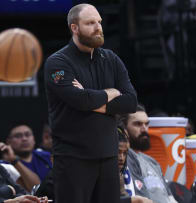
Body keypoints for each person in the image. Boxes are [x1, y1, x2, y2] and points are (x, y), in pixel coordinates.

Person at [44, 3, 137, 203]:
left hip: (108, 156)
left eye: (99, 22)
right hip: (73, 159)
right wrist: (112, 92)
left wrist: (91, 98)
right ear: (74, 28)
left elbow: (130, 102)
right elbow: (80, 101)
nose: (98, 27)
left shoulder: (111, 59)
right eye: (90, 23)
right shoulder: (58, 62)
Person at [120, 104, 177, 203]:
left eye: (146, 124)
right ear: (124, 128)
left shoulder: (152, 162)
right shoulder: (123, 160)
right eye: (138, 124)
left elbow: (170, 197)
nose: (144, 129)